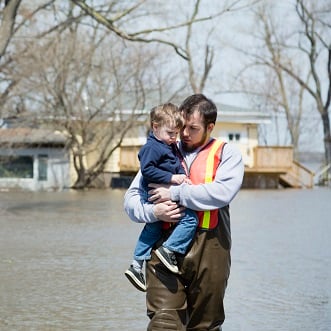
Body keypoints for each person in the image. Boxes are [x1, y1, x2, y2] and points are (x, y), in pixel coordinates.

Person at [124, 94, 244, 330]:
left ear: (210, 127)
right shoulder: (161, 149)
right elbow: (130, 201)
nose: (184, 134)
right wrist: (153, 212)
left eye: (193, 128)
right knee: (164, 323)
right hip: (162, 247)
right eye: (181, 126)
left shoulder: (228, 154)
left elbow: (221, 193)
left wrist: (175, 194)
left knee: (205, 325)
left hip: (211, 248)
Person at [124, 103, 198, 292]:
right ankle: (170, 249)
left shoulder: (167, 144)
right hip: (156, 193)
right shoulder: (152, 147)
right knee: (190, 219)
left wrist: (183, 178)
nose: (174, 138)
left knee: (153, 228)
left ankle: (136, 265)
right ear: (155, 127)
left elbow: (176, 164)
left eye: (176, 134)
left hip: (161, 192)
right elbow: (147, 170)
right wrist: (173, 178)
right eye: (170, 133)